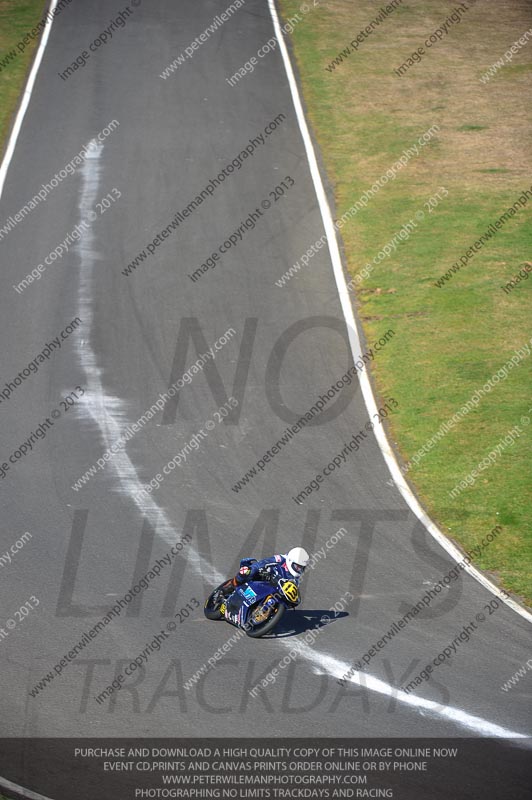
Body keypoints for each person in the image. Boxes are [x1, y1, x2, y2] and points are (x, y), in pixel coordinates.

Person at [217, 547, 310, 599]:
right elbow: (263, 562)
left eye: (301, 568)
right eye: (297, 566)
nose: (299, 569)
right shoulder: (280, 559)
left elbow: (294, 589)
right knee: (246, 571)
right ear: (290, 560)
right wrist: (260, 570)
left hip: (272, 589)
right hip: (262, 577)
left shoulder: (295, 578)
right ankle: (228, 588)